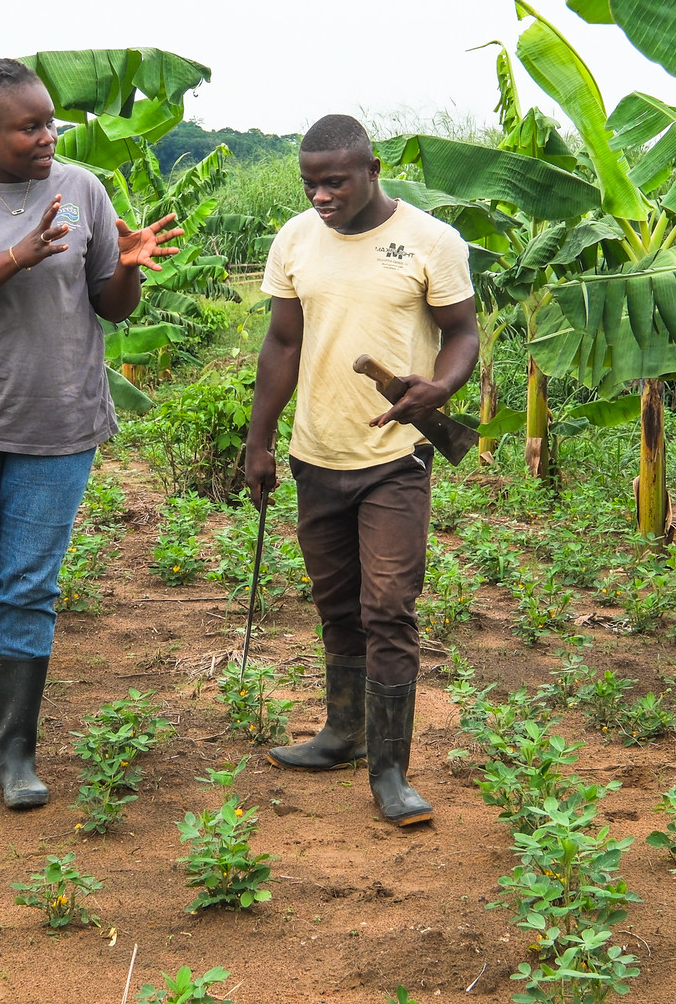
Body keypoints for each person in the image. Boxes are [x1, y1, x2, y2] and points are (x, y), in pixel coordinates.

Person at [0, 57, 181, 810]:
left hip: (60, 420)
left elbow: (109, 305)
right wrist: (13, 257)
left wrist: (132, 267)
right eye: (29, 126)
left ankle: (17, 749)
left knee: (27, 586)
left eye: (51, 122)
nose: (47, 135)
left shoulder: (81, 187)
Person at [244, 114, 479, 825]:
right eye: (310, 182)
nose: (320, 195)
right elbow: (282, 344)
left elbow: (463, 332)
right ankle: (342, 732)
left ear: (372, 168)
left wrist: (441, 387)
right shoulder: (295, 240)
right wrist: (258, 442)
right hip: (317, 455)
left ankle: (390, 771)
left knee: (388, 607)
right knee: (336, 604)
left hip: (394, 459)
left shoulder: (431, 241)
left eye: (335, 181)